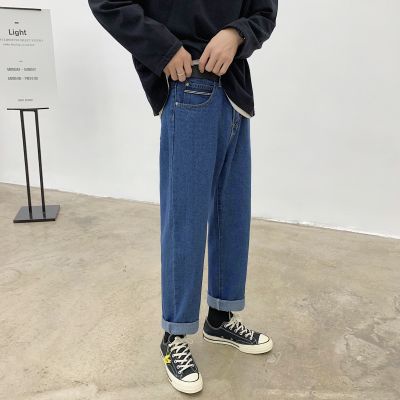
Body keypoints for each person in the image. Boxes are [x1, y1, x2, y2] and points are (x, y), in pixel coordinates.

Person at [88, 0, 278, 394]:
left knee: (232, 214)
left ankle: (220, 318)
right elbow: (107, 2)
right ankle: (173, 335)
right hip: (188, 84)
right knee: (185, 219)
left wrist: (238, 33)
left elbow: (265, 11)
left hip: (235, 92)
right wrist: (163, 49)